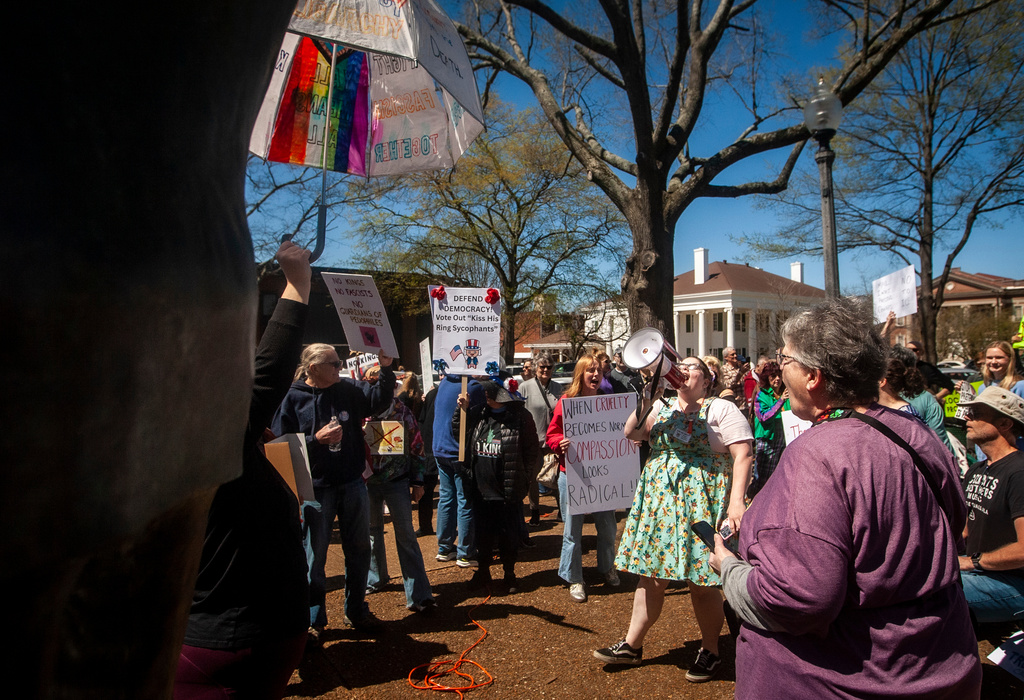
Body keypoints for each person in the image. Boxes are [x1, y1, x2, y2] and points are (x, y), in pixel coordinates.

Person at [709, 298, 981, 699]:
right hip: (943, 662)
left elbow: (799, 599)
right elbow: (954, 524)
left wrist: (730, 570)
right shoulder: (914, 432)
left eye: (785, 360)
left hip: (843, 678)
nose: (779, 370)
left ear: (813, 377)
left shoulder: (818, 453)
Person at [175, 241, 312, 699]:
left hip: (256, 642)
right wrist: (297, 283)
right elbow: (270, 371)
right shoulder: (200, 439)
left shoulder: (206, 438)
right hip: (220, 647)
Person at [594, 357, 753, 683]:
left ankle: (711, 650)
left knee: (702, 584)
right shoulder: (660, 407)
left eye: (692, 366)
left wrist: (736, 504)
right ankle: (631, 646)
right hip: (660, 511)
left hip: (700, 511)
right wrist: (647, 401)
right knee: (650, 578)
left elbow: (744, 453)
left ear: (707, 379)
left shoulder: (720, 409)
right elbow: (631, 432)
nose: (683, 369)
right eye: (680, 364)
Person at [271, 342, 396, 635]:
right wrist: (316, 439)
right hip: (315, 489)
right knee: (314, 558)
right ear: (313, 368)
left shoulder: (348, 389)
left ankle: (356, 611)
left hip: (352, 482)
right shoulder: (292, 398)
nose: (339, 367)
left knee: (360, 550)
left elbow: (377, 401)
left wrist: (387, 369)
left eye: (339, 362)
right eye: (333, 364)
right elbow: (279, 445)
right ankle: (314, 621)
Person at [546, 355, 620, 602]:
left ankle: (607, 567)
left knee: (608, 529)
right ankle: (574, 577)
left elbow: (620, 434)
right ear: (580, 374)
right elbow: (551, 435)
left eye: (599, 370)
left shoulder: (608, 403)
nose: (596, 375)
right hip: (573, 475)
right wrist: (560, 444)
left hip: (602, 477)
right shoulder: (566, 402)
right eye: (590, 370)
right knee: (572, 531)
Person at [455, 378, 538, 594]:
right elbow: (459, 433)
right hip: (480, 487)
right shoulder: (478, 413)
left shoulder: (520, 417)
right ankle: (483, 572)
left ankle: (509, 575)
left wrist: (525, 478)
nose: (485, 397)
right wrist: (460, 411)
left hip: (507, 489)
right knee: (483, 535)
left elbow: (531, 451)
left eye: (488, 394)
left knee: (508, 535)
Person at [958, 386, 1024, 626]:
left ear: (1005, 424)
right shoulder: (977, 469)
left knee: (935, 592)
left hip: (1013, 582)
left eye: (977, 413)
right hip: (979, 572)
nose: (967, 417)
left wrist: (972, 561)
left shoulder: (1019, 472)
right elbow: (965, 530)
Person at [365, 396, 435, 613]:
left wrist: (417, 481)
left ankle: (419, 595)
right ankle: (375, 578)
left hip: (397, 481)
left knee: (406, 535)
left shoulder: (402, 411)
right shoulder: (359, 410)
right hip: (366, 482)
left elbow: (416, 445)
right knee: (371, 531)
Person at [433, 369, 485, 567]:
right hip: (458, 450)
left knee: (446, 498)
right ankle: (465, 552)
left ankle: (444, 548)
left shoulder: (445, 382)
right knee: (465, 500)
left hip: (440, 448)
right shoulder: (473, 387)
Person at [519, 354, 564, 526]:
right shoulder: (525, 387)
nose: (545, 370)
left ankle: (562, 509)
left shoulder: (558, 388)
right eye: (542, 367)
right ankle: (535, 511)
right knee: (534, 478)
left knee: (558, 476)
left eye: (549, 367)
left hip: (554, 441)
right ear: (535, 368)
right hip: (534, 441)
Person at [748, 360, 788, 498]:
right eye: (773, 376)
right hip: (766, 440)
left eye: (779, 376)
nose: (777, 379)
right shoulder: (762, 395)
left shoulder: (787, 392)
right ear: (767, 378)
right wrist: (781, 401)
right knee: (762, 478)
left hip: (783, 439)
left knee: (778, 476)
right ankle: (754, 501)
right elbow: (764, 417)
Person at [416, 384, 439, 536]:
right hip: (437, 448)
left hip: (429, 450)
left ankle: (425, 527)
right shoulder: (434, 395)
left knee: (427, 491)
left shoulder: (432, 395)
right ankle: (426, 527)